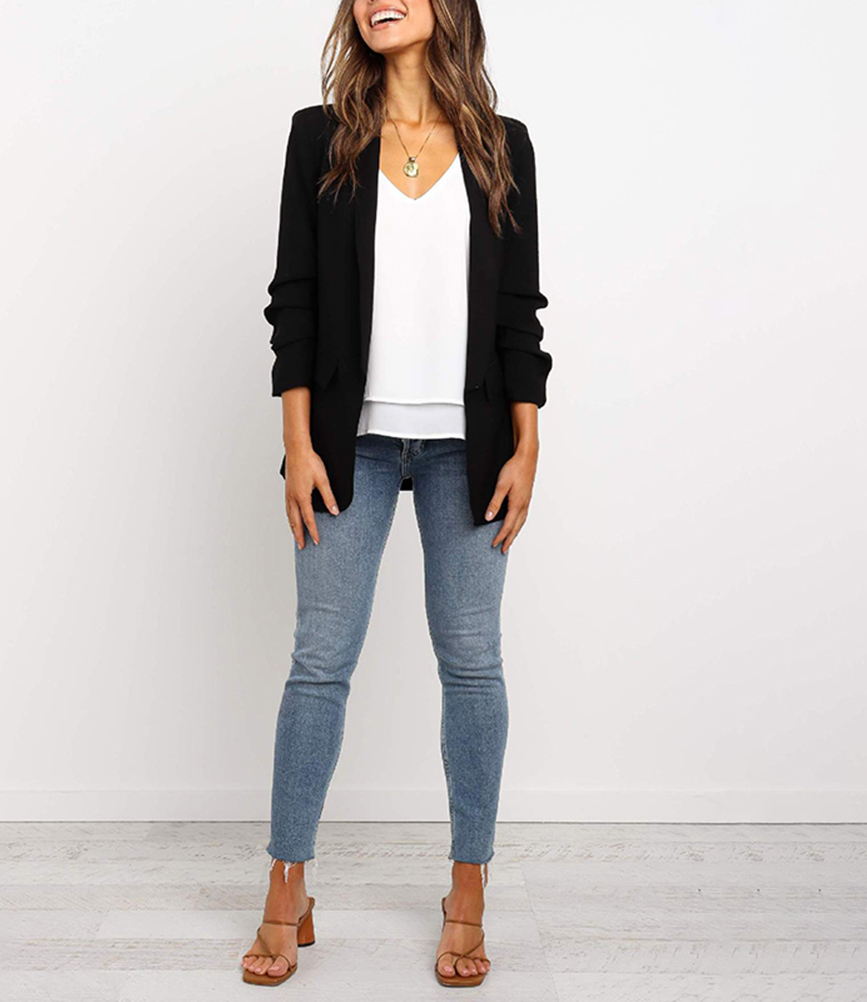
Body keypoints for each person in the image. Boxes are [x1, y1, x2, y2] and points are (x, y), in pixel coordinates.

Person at [242, 0, 552, 987]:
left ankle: (467, 888)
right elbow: (293, 300)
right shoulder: (319, 139)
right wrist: (297, 443)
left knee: (473, 666)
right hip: (350, 445)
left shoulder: (502, 146)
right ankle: (287, 885)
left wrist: (528, 444)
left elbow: (519, 312)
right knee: (319, 664)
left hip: (472, 445)